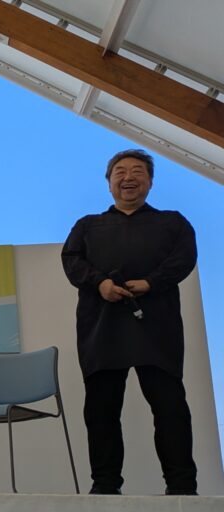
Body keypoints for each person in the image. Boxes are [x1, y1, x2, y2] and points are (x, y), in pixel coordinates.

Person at [62, 149, 198, 495]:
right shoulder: (87, 225)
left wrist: (152, 282)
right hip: (101, 328)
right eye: (120, 172)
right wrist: (100, 283)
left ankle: (182, 487)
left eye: (138, 171)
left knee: (170, 408)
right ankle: (105, 486)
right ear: (109, 183)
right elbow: (72, 260)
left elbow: (184, 259)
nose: (129, 178)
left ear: (150, 182)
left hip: (157, 327)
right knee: (101, 410)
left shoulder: (173, 222)